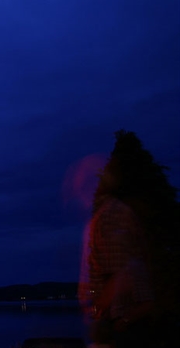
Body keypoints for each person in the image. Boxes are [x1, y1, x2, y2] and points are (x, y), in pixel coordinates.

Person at [80, 130, 158, 348]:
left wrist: (98, 311)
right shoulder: (111, 215)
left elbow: (123, 273)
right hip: (125, 322)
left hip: (125, 325)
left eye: (80, 182)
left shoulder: (110, 216)